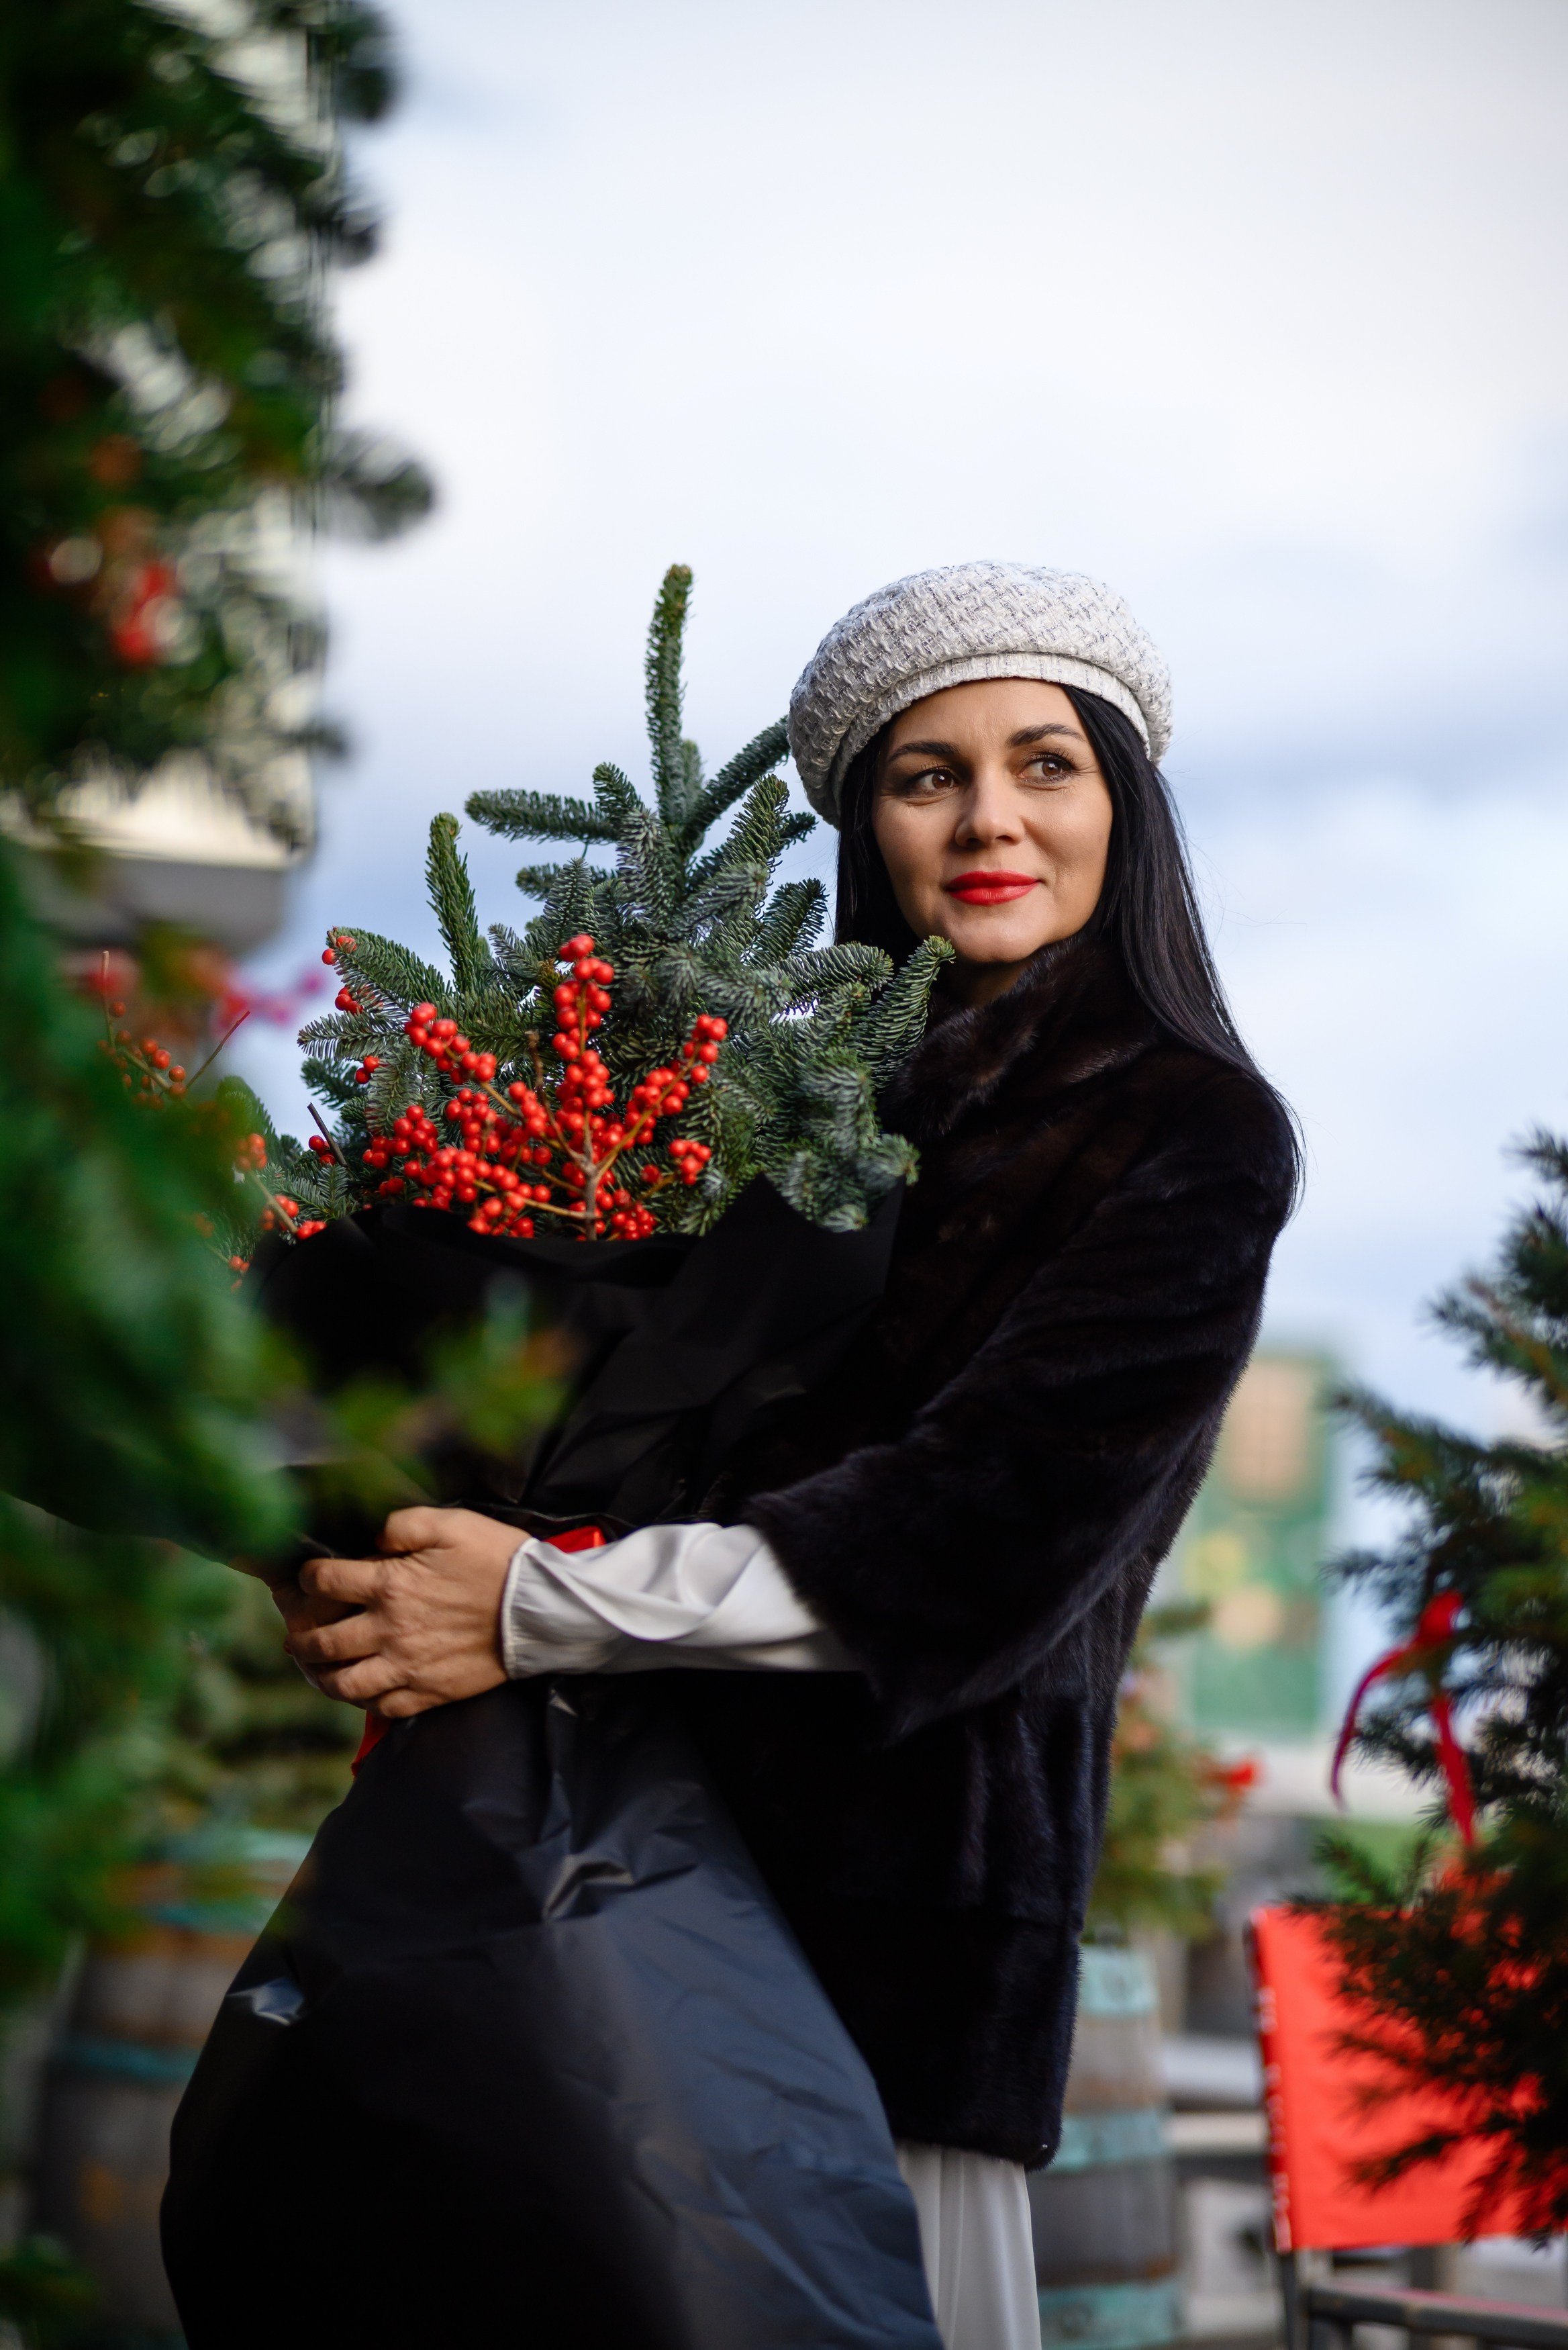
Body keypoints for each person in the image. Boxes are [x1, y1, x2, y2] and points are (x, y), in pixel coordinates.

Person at [279, 561, 1299, 2350]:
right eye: (927, 776)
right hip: (611, 1890)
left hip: (902, 1941)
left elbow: (974, 1541)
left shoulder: (1191, 1132)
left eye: (1045, 763)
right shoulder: (789, 1104)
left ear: (1124, 810)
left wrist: (531, 1603)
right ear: (867, 826)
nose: (990, 815)